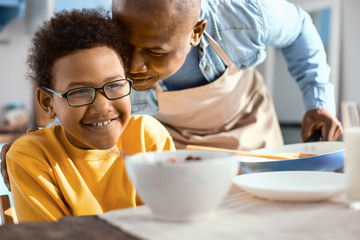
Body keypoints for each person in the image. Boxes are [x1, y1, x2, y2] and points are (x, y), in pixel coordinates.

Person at [1, 0, 343, 189]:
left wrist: (318, 104)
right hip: (173, 148)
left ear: (196, 33)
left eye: (155, 52)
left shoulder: (247, 17)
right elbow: (92, 111)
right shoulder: (107, 45)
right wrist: (39, 143)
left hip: (250, 133)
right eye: (126, 46)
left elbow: (300, 28)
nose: (133, 66)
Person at [5, 9, 175, 222]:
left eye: (114, 85)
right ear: (48, 102)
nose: (103, 107)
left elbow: (173, 223)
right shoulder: (33, 157)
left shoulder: (148, 138)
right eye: (79, 91)